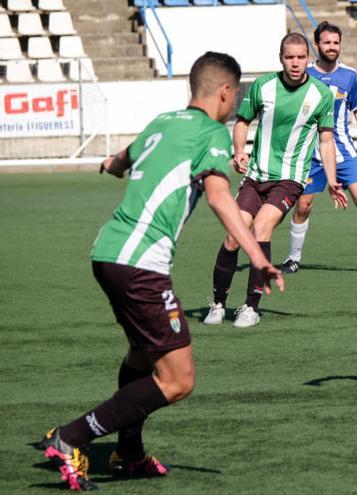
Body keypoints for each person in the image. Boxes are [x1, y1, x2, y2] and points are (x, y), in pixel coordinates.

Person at [38, 52, 284, 491]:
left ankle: (128, 453)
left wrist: (107, 165)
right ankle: (71, 437)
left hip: (108, 251)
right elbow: (219, 198)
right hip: (139, 263)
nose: (234, 105)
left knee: (141, 354)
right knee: (178, 379)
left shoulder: (163, 121)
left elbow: (118, 162)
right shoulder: (212, 133)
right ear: (226, 92)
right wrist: (259, 256)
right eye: (235, 96)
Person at [204, 32, 347, 328]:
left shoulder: (320, 94)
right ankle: (218, 302)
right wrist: (239, 151)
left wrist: (332, 179)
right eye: (289, 57)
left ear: (309, 58)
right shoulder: (263, 86)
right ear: (280, 58)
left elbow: (326, 139)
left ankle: (250, 307)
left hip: (290, 179)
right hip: (256, 177)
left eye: (300, 57)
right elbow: (242, 121)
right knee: (233, 236)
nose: (295, 63)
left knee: (261, 227)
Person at [281, 22, 357, 274]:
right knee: (303, 206)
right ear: (317, 45)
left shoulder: (349, 76)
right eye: (327, 42)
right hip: (311, 154)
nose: (332, 47)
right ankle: (293, 258)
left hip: (343, 150)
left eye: (336, 42)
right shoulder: (305, 75)